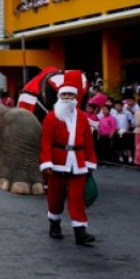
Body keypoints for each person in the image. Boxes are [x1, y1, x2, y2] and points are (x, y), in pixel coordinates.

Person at [39, 70, 97, 246]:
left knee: (77, 198)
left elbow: (88, 142)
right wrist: (46, 161)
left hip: (77, 163)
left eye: (70, 94)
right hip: (57, 163)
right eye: (63, 94)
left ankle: (80, 232)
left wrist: (90, 162)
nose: (66, 97)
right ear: (59, 96)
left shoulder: (82, 118)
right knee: (55, 197)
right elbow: (46, 141)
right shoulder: (51, 117)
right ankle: (54, 224)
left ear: (75, 97)